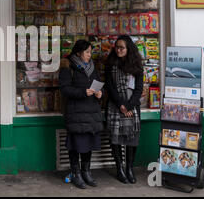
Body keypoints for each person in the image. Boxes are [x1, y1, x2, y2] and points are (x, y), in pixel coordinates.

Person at [59, 40, 104, 189]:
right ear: (78, 52)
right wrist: (82, 92)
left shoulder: (92, 67)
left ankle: (86, 172)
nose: (90, 55)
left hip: (91, 112)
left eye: (90, 52)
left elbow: (98, 83)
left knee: (88, 144)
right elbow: (65, 89)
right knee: (76, 145)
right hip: (76, 112)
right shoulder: (68, 67)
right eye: (87, 52)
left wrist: (99, 93)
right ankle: (76, 173)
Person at [105, 35, 144, 184]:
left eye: (122, 47)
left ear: (129, 49)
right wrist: (121, 104)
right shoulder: (110, 64)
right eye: (117, 47)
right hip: (115, 106)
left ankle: (129, 168)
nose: (118, 50)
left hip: (132, 107)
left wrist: (129, 106)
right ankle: (119, 169)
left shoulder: (136, 66)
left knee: (132, 139)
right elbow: (110, 87)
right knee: (115, 139)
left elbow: (139, 89)